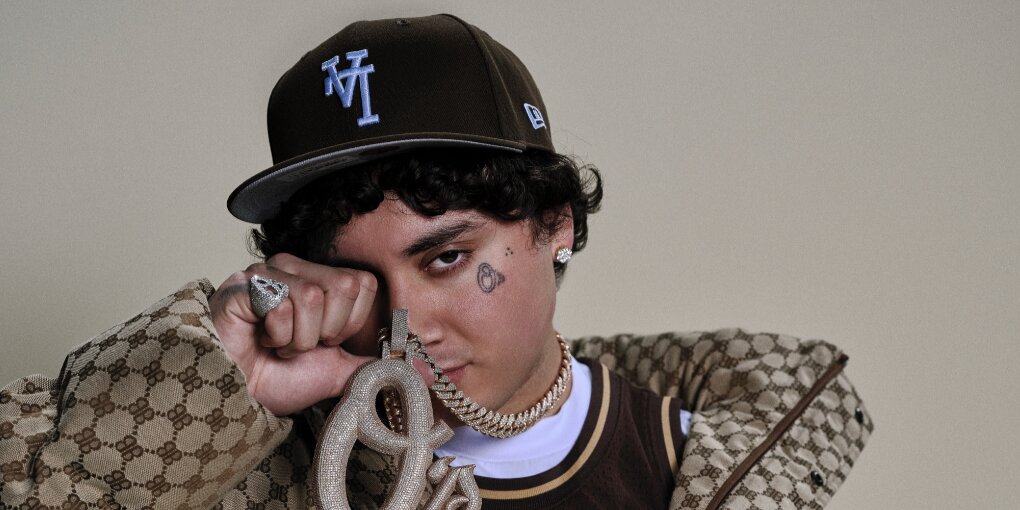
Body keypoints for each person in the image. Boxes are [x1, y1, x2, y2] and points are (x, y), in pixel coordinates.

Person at [0, 14, 872, 509]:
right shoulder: (243, 470)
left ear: (557, 224)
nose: (404, 325)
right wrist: (208, 390)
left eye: (447, 258)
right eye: (357, 282)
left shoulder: (702, 462)